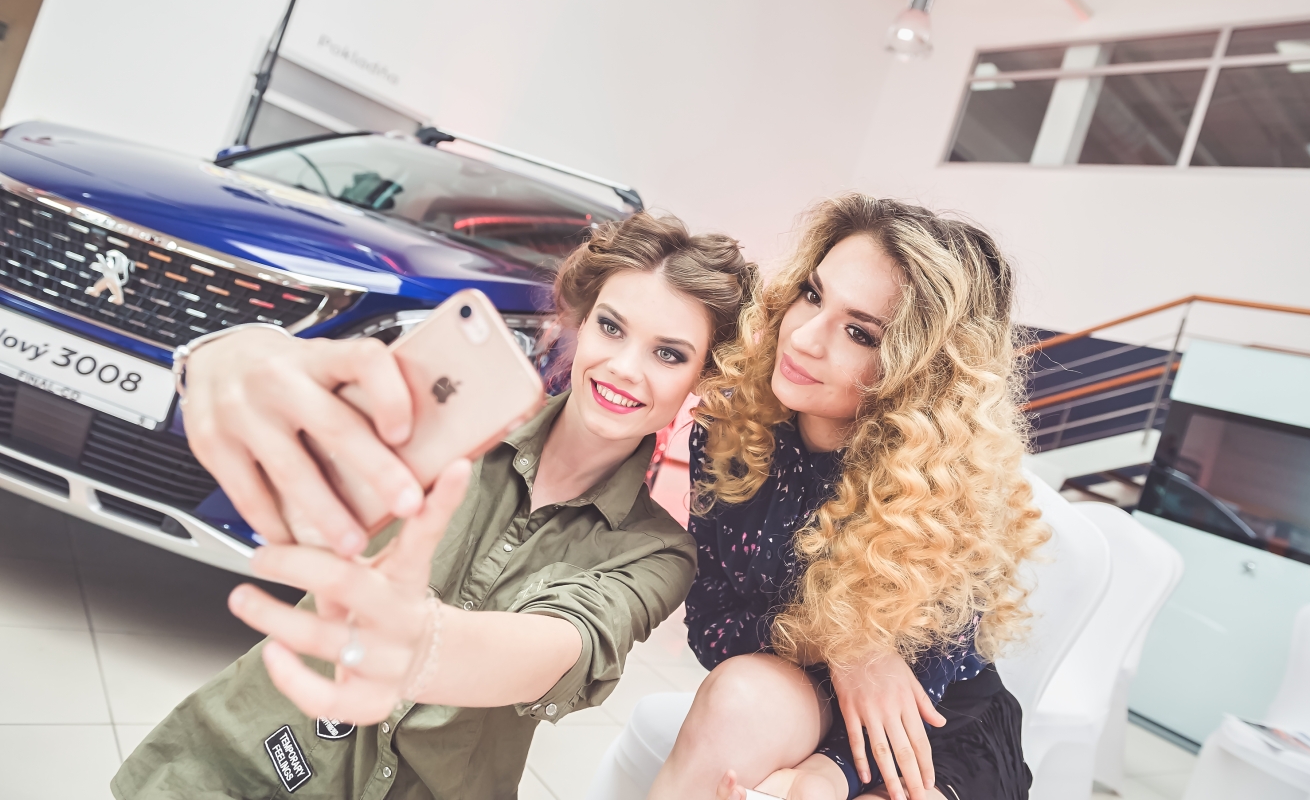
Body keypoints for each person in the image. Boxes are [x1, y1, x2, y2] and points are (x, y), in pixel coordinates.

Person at [111, 213, 756, 800]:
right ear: (581, 324)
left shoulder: (659, 552)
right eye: (611, 327)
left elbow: (564, 644)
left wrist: (424, 647)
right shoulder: (450, 419)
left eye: (668, 354)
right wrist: (228, 355)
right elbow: (310, 426)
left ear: (702, 380)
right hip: (239, 765)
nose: (625, 368)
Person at [647, 195, 1049, 800]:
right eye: (812, 295)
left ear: (919, 372)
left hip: (933, 722)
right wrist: (844, 645)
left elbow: (930, 678)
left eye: (859, 332)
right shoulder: (734, 430)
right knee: (737, 698)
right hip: (799, 690)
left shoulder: (943, 486)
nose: (805, 338)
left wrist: (825, 775)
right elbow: (712, 630)